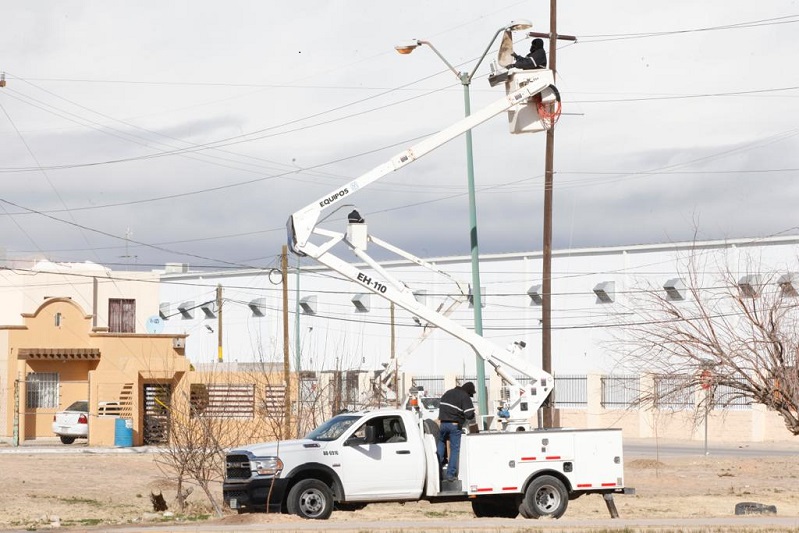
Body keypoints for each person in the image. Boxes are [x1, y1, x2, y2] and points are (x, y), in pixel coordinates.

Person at [437, 381, 478, 482]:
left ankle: (437, 471)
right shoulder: (464, 396)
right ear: (468, 391)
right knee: (454, 449)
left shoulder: (448, 392)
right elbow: (469, 414)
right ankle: (450, 474)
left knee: (441, 443)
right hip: (454, 425)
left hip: (442, 424)